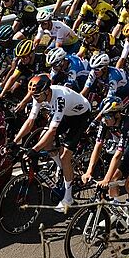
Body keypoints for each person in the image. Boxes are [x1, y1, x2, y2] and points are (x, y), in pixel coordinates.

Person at [15, 73, 93, 211]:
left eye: (37, 96)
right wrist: (15, 142)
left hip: (81, 116)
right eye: (34, 96)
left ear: (46, 91)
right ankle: (62, 168)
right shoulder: (38, 96)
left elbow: (52, 131)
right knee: (44, 140)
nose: (35, 99)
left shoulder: (59, 98)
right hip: (67, 114)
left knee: (65, 156)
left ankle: (68, 199)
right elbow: (30, 121)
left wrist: (34, 150)